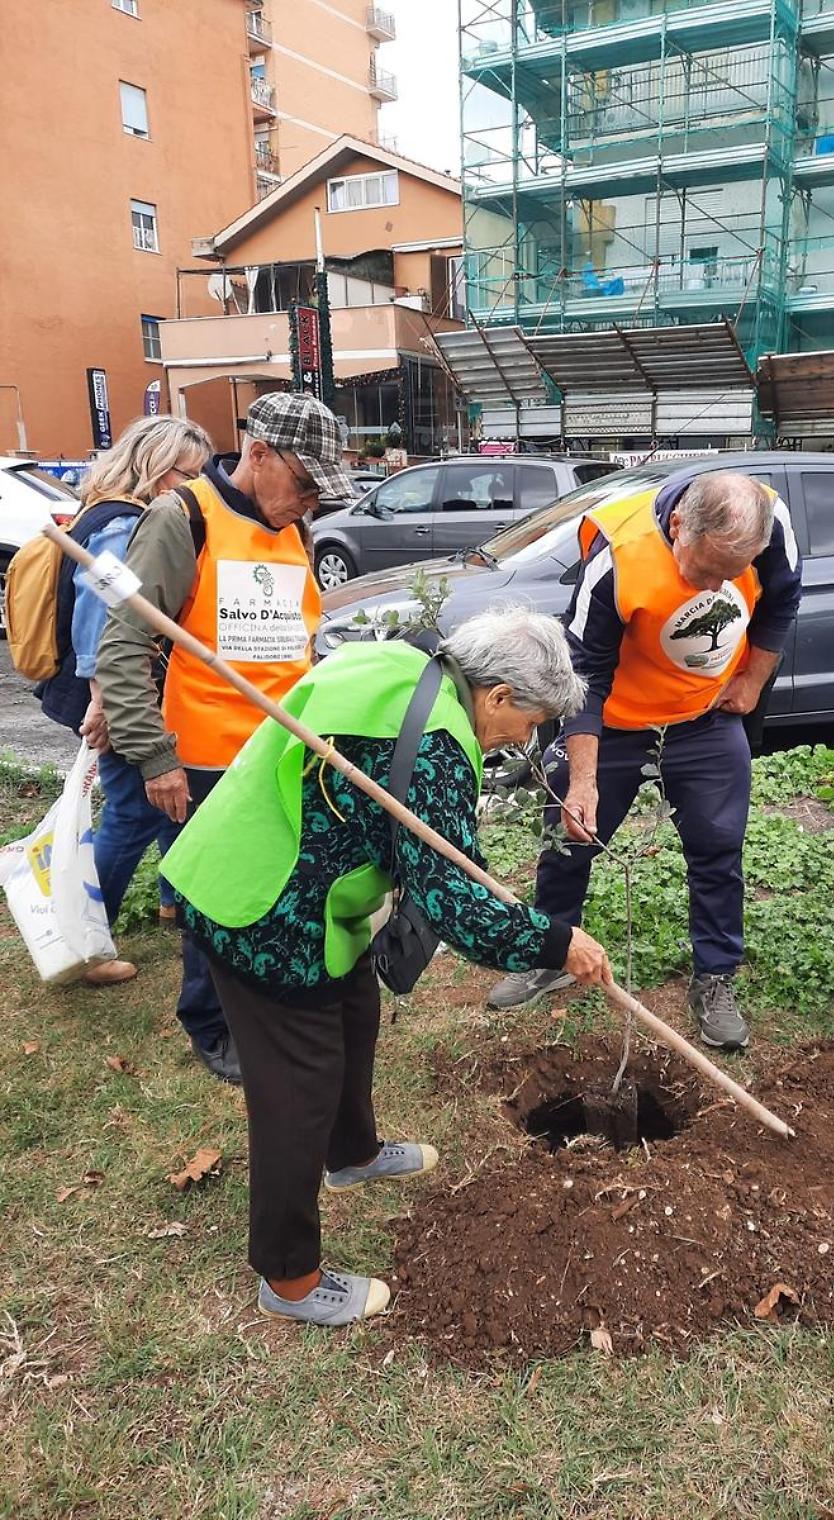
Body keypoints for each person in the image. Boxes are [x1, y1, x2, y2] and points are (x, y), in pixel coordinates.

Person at [160, 608, 612, 1327]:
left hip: (302, 878)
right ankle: (289, 1278)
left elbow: (435, 850)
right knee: (298, 1086)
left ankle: (353, 1154)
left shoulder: (411, 663)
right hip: (263, 905)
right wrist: (560, 943)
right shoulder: (436, 746)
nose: (524, 738)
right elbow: (457, 907)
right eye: (529, 722)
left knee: (354, 1013)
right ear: (497, 695)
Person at [488, 470, 802, 1051]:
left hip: (706, 717)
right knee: (569, 838)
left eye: (729, 574)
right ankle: (551, 955)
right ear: (678, 526)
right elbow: (584, 674)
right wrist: (583, 781)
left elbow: (782, 602)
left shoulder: (771, 524)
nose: (714, 588)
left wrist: (754, 680)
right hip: (616, 723)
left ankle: (715, 977)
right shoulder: (618, 558)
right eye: (704, 571)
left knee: (718, 848)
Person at [97, 392, 347, 1083]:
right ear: (258, 454)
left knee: (273, 884)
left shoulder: (295, 528)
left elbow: (299, 644)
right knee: (212, 896)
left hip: (283, 749)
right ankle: (210, 1024)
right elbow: (124, 647)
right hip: (205, 758)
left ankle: (260, 995)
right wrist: (156, 757)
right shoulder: (183, 518)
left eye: (319, 492)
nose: (311, 502)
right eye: (305, 484)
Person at [37, 415, 212, 985]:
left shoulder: (100, 511)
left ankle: (174, 901)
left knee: (170, 802)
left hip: (117, 693)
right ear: (157, 468)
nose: (195, 489)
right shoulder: (123, 526)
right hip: (115, 696)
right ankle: (85, 943)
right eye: (188, 475)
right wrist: (107, 704)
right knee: (134, 810)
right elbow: (103, 622)